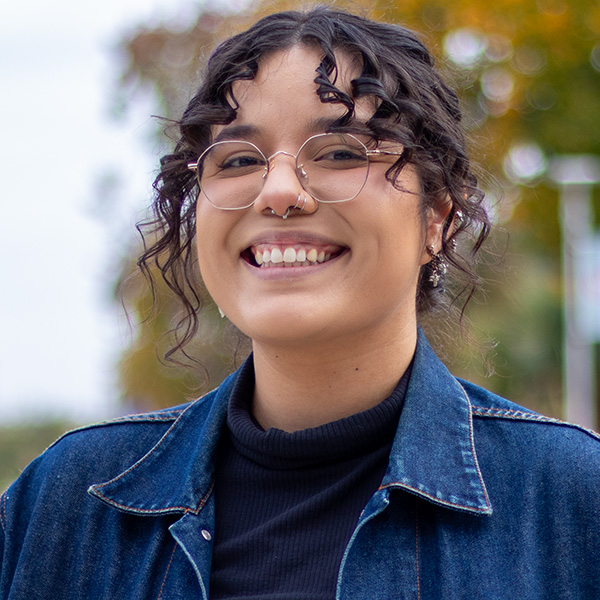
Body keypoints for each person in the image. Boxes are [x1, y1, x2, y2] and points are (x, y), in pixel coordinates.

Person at [1, 7, 599, 599]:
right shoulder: (64, 506)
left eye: (340, 152)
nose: (280, 191)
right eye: (237, 160)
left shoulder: (569, 504)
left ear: (436, 219)